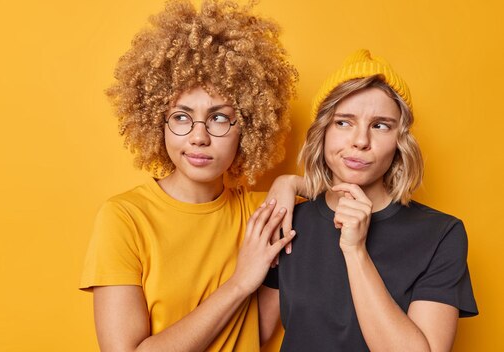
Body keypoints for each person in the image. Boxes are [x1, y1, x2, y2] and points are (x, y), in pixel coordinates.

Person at [80, 1, 302, 351]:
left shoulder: (262, 215)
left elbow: (355, 191)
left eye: (218, 118)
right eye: (182, 117)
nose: (199, 136)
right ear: (157, 121)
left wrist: (290, 182)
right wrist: (241, 283)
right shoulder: (125, 219)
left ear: (247, 127)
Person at [263, 49, 478, 351]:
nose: (361, 141)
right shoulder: (289, 221)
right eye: (343, 122)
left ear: (400, 141)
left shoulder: (441, 234)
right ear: (322, 132)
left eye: (380, 125)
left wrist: (355, 251)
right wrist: (287, 182)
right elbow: (252, 334)